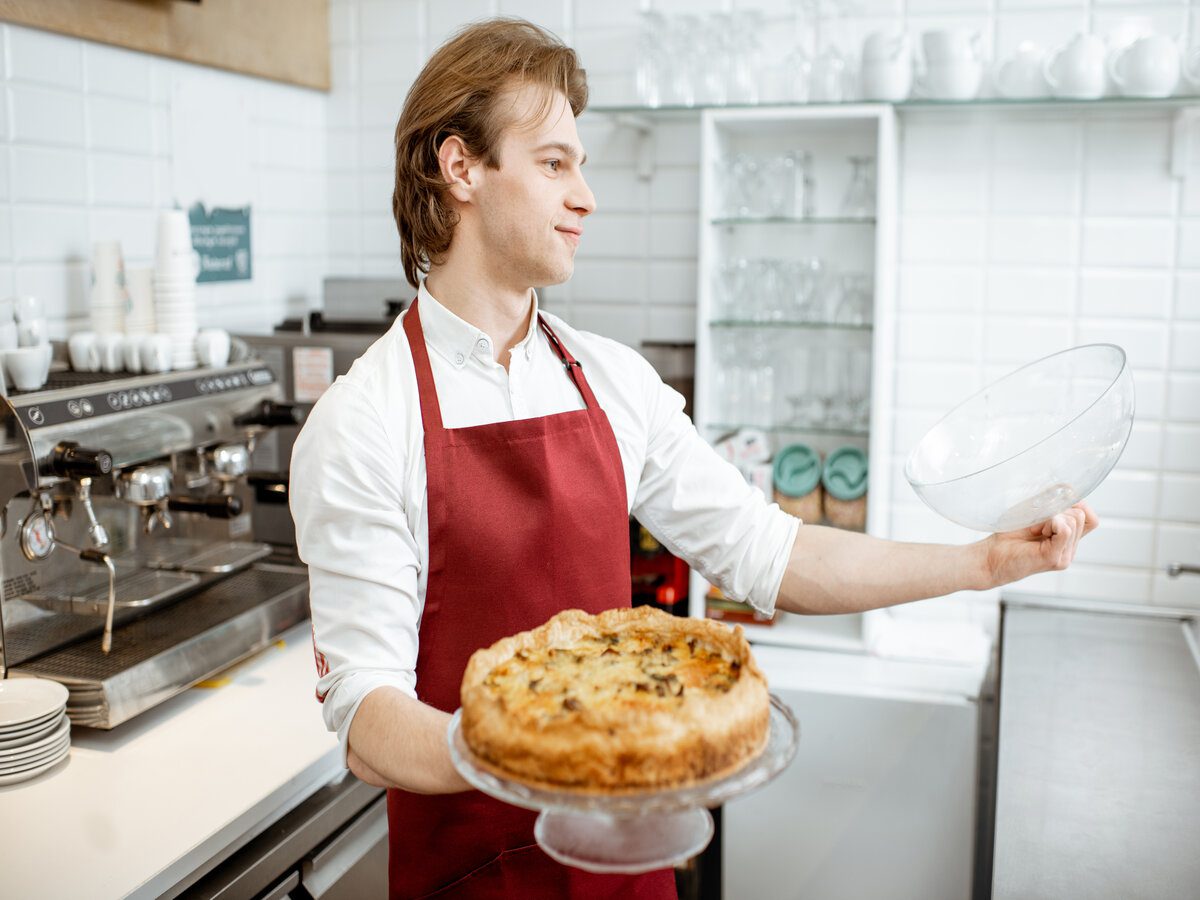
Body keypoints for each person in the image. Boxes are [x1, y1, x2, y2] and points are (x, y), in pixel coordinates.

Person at [289, 17, 1098, 900]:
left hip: (630, 875)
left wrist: (980, 562)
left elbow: (774, 553)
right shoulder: (364, 420)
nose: (587, 194)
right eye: (556, 162)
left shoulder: (612, 381)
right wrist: (532, 744)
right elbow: (367, 719)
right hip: (473, 881)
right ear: (461, 168)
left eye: (583, 165)